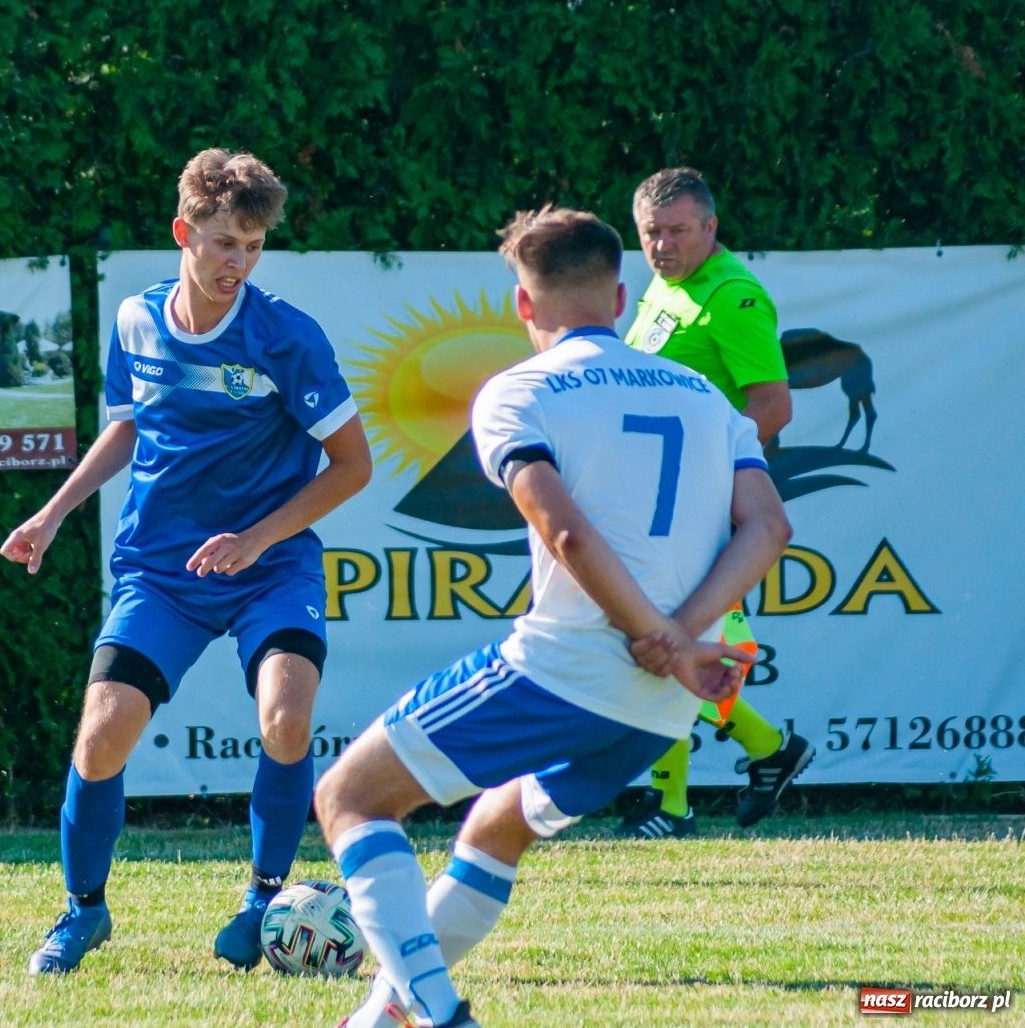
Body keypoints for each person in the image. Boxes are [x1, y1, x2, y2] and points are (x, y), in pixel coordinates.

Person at [314, 206, 792, 1028]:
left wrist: (655, 635)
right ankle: (382, 1017)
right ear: (619, 296)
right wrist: (681, 639)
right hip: (662, 704)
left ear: (524, 307)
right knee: (497, 826)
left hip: (571, 666)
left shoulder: (516, 391)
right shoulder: (707, 399)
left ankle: (437, 1014)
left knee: (350, 796)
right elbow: (770, 526)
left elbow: (564, 529)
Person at [1, 148, 372, 974]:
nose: (237, 261)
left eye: (252, 245)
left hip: (269, 568)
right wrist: (53, 513)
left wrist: (258, 539)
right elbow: (127, 425)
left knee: (286, 717)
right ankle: (83, 913)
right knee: (100, 739)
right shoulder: (136, 319)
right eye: (223, 242)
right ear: (184, 232)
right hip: (163, 572)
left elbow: (353, 466)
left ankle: (264, 896)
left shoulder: (286, 336)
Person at [620, 167, 814, 836]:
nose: (663, 245)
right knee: (684, 642)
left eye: (678, 231)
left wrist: (700, 468)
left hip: (702, 503)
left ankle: (675, 806)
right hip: (661, 503)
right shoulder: (664, 286)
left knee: (674, 639)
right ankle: (768, 751)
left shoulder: (733, 297)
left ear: (711, 228)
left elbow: (773, 407)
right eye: (651, 233)